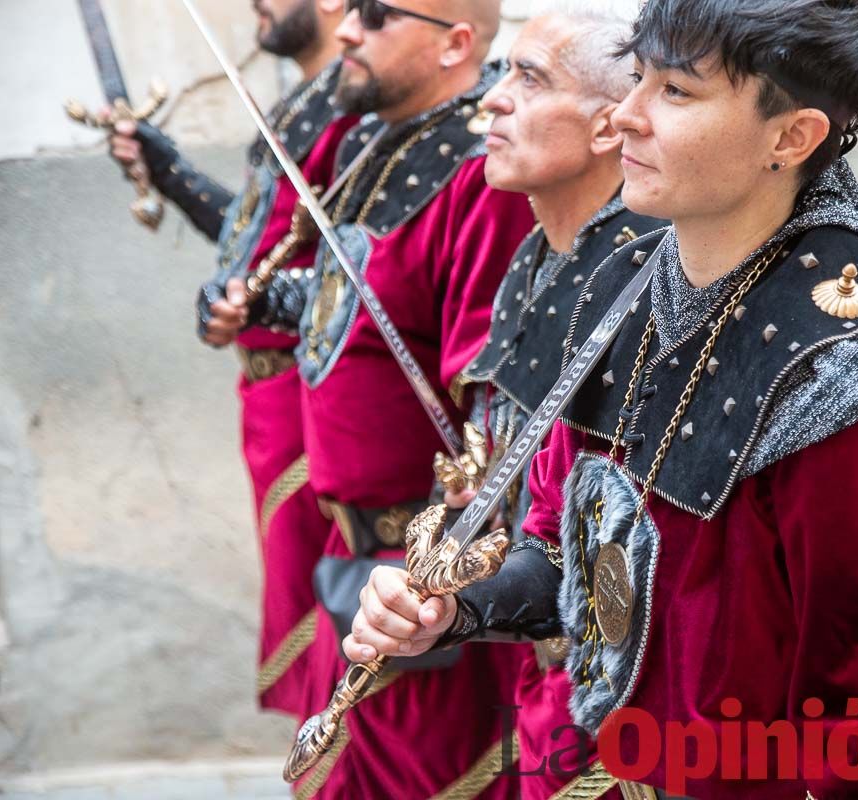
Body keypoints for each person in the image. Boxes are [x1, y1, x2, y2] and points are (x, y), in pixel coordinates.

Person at [344, 1, 858, 797]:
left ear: (792, 137)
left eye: (677, 92)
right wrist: (457, 603)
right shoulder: (619, 287)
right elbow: (563, 547)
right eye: (638, 78)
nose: (626, 114)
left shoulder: (855, 373)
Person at [222, 0, 536, 795]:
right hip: (350, 552)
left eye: (375, 14)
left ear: (454, 43)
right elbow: (354, 298)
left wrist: (447, 562)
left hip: (422, 574)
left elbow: (494, 389)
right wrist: (261, 300)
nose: (347, 32)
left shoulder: (482, 172)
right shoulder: (365, 143)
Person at [433, 5, 663, 796]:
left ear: (606, 127)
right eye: (503, 73)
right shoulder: (534, 256)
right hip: (537, 666)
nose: (493, 99)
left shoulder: (647, 278)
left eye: (529, 79)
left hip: (622, 701)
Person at [105, 0, 353, 718]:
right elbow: (258, 245)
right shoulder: (304, 104)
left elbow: (364, 275)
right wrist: (170, 169)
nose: (256, 4)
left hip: (321, 401)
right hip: (274, 401)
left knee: (343, 624)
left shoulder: (354, 110)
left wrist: (259, 299)